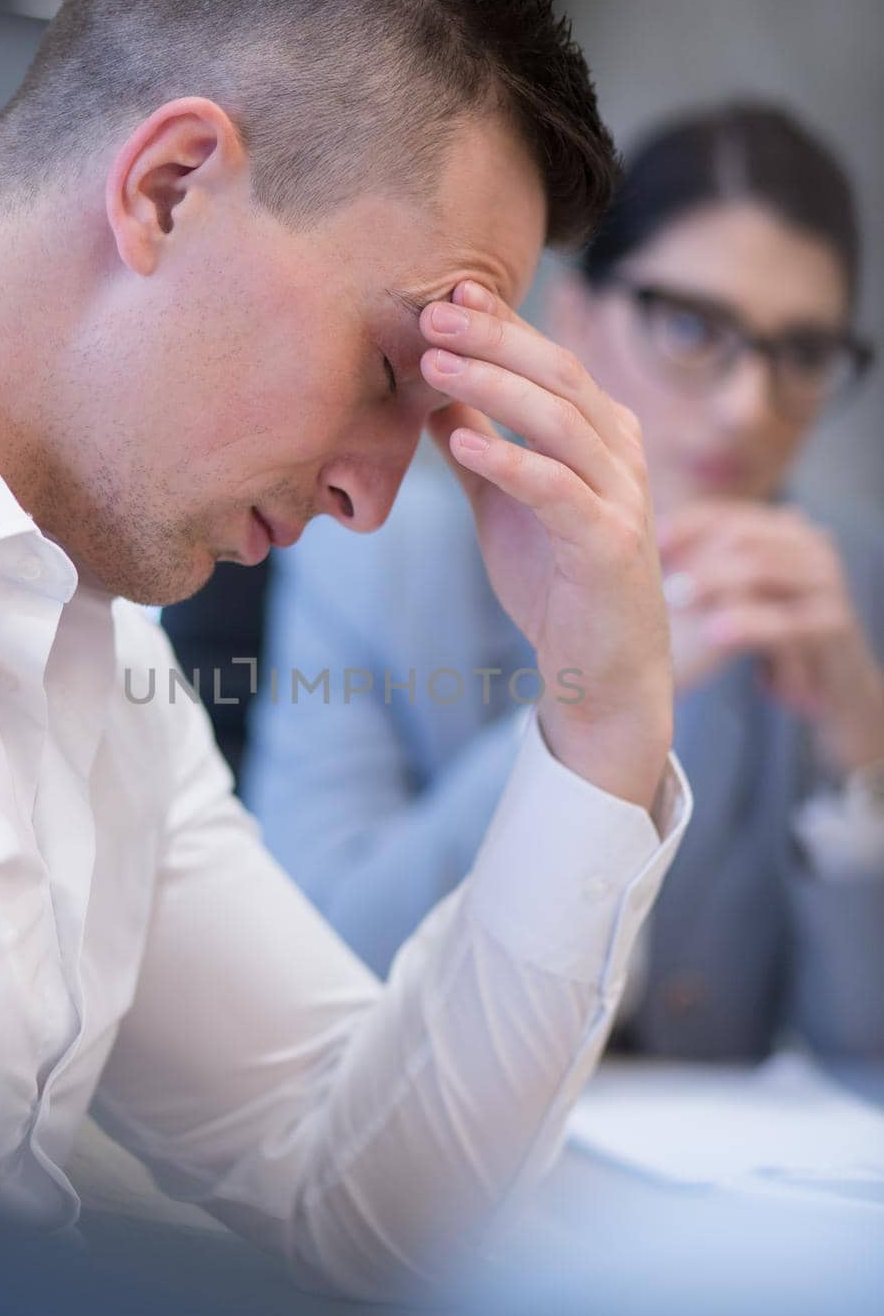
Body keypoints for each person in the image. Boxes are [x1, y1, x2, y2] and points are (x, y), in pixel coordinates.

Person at [0, 0, 691, 1300]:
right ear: (168, 187)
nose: (371, 498)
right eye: (388, 374)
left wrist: (602, 724)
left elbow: (364, 1209)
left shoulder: (98, 642)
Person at [246, 100, 884, 1061]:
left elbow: (862, 1046)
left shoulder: (848, 587)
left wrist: (862, 761)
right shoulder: (374, 553)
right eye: (689, 324)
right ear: (575, 315)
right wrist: (602, 698)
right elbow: (308, 967)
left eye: (799, 352)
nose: (749, 406)